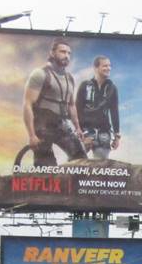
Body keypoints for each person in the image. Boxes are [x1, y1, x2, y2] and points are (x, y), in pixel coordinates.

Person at [22, 38, 87, 167]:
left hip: (61, 124)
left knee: (81, 160)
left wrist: (78, 127)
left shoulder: (70, 78)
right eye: (63, 52)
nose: (67, 56)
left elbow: (71, 105)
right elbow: (27, 104)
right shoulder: (40, 74)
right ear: (52, 53)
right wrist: (31, 135)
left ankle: (73, 186)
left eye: (69, 53)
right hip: (43, 125)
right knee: (45, 168)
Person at [75, 55, 121, 160]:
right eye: (105, 66)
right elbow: (77, 111)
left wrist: (117, 137)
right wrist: (83, 133)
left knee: (101, 164)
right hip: (85, 132)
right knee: (75, 161)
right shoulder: (85, 86)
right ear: (96, 68)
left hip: (103, 132)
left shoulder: (112, 89)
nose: (108, 68)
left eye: (110, 66)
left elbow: (114, 113)